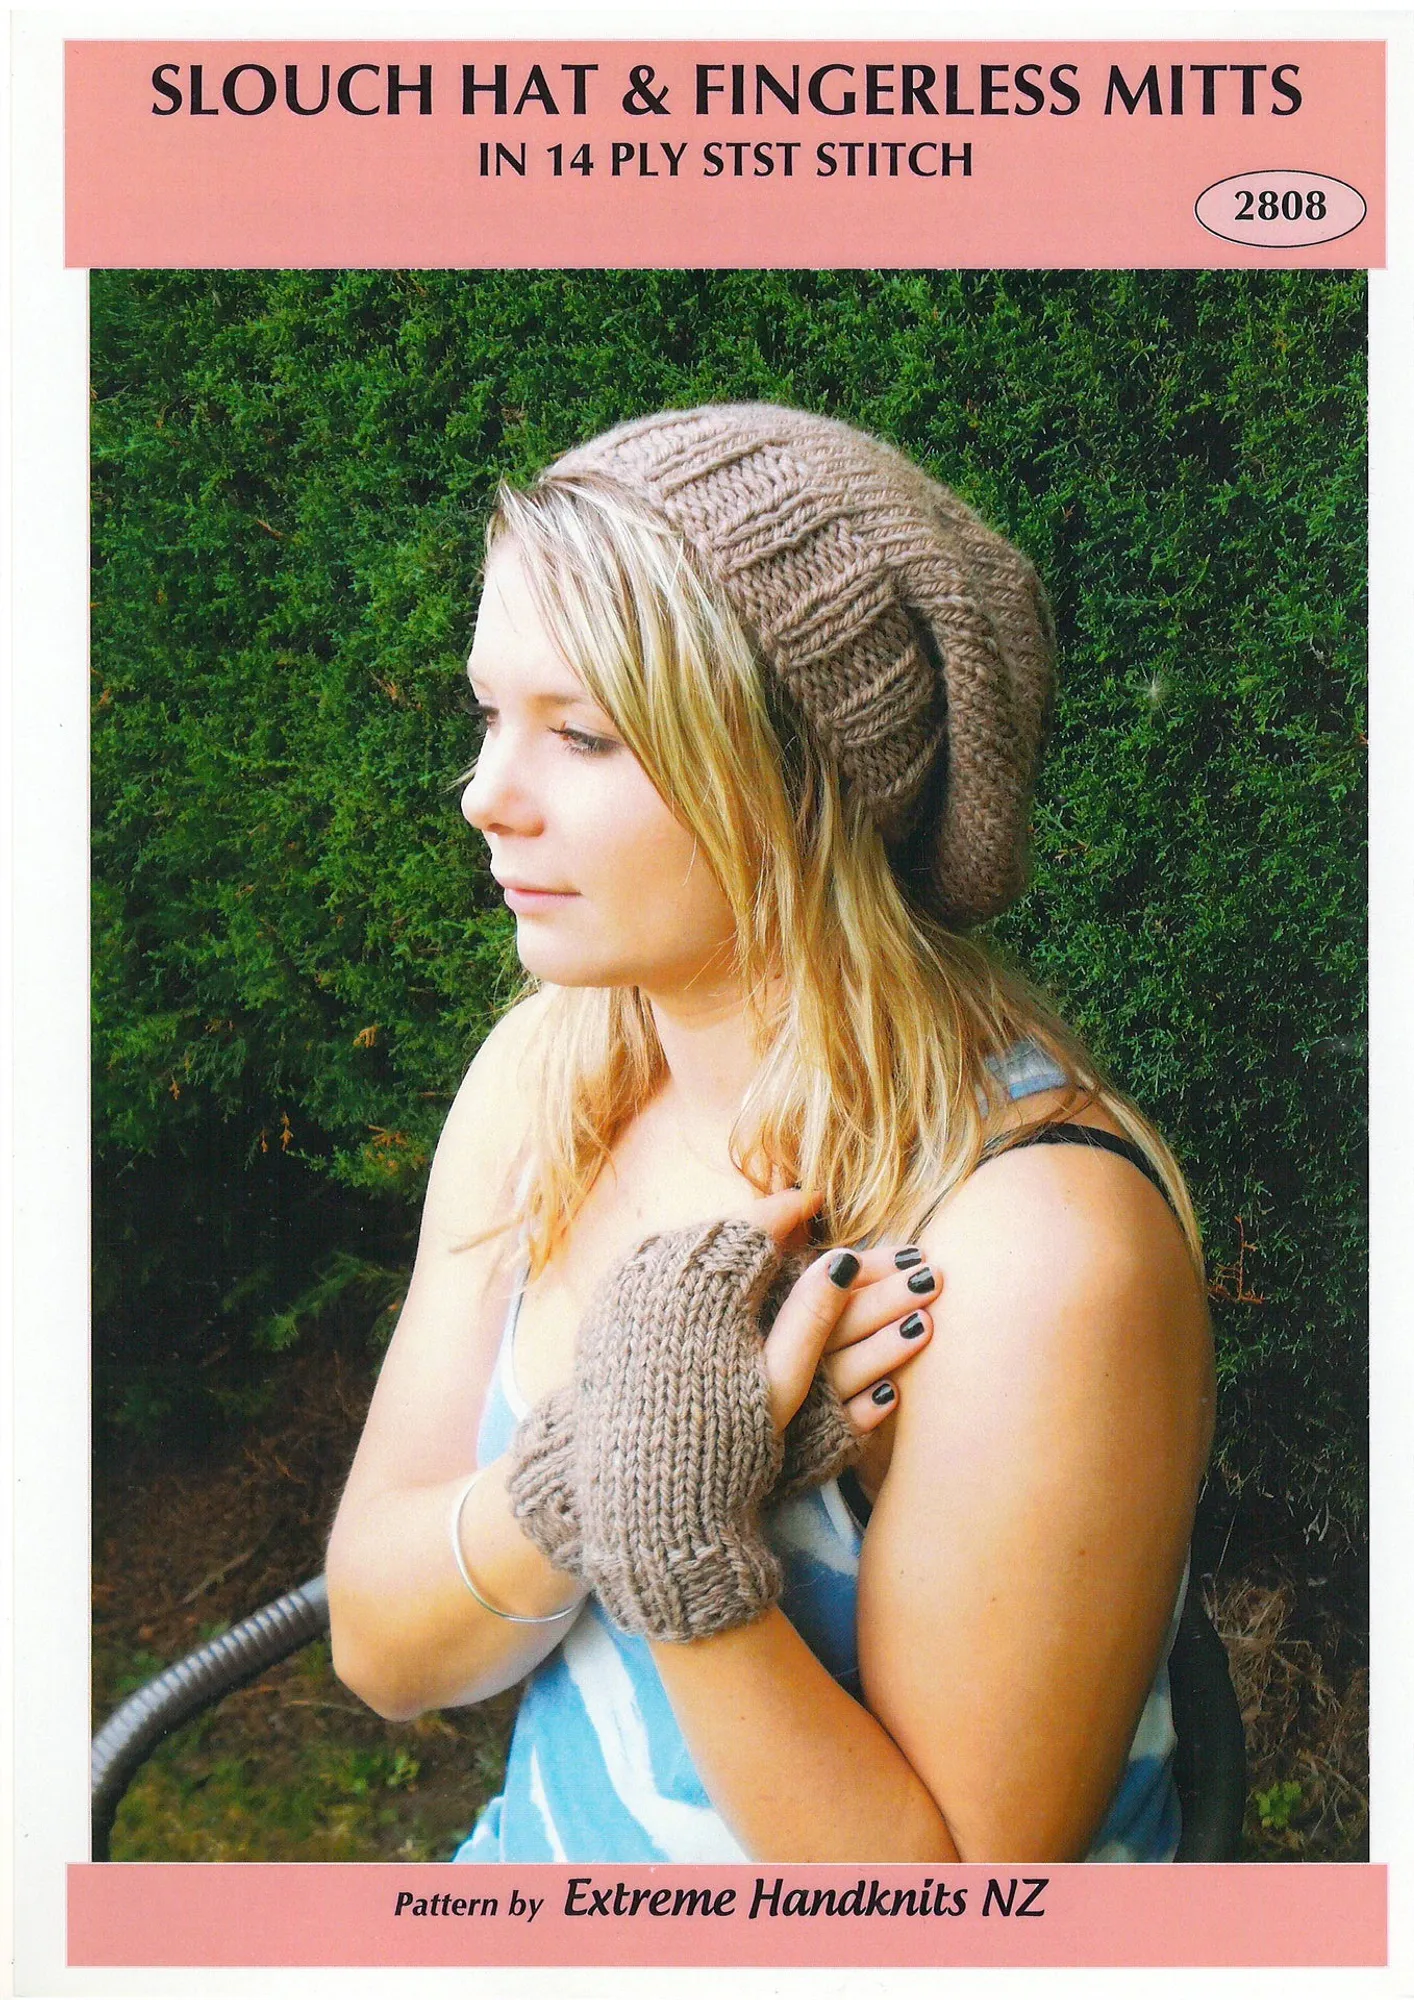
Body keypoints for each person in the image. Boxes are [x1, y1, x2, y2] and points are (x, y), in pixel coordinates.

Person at [325, 403, 1213, 1864]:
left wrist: (682, 1560)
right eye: (490, 716)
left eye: (583, 735)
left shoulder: (1034, 1247)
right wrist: (589, 1475)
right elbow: (380, 1649)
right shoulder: (547, 1078)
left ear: (803, 786)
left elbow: (957, 1921)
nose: (485, 798)